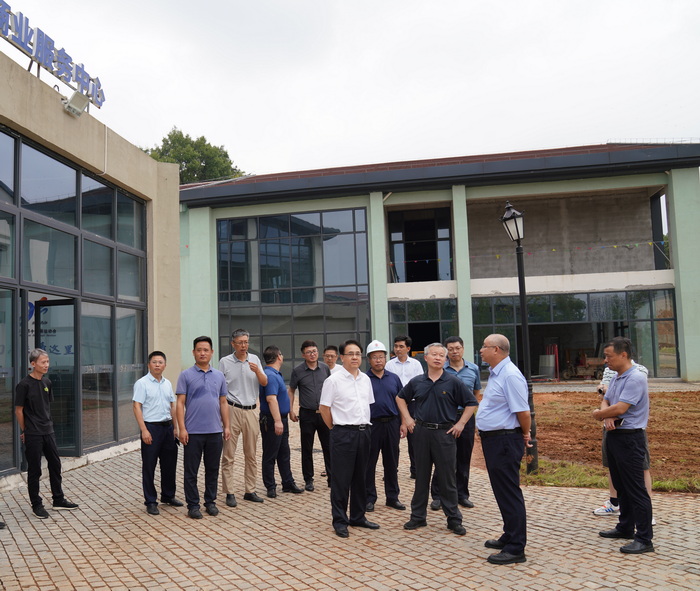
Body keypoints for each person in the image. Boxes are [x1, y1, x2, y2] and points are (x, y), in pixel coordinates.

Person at [396, 343, 477, 537]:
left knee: (448, 478)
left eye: (442, 355)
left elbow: (471, 402)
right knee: (421, 477)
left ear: (445, 359)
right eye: (434, 354)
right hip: (421, 433)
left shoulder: (453, 382)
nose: (438, 358)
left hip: (444, 434)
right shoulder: (417, 381)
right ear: (426, 358)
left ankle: (454, 519)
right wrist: (408, 419)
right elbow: (400, 398)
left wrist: (461, 424)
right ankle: (418, 516)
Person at [592, 336, 654, 554]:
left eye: (609, 356)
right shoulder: (618, 377)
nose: (605, 360)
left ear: (623, 355)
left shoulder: (635, 378)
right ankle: (625, 527)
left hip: (630, 438)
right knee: (622, 485)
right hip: (615, 436)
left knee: (636, 488)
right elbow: (607, 399)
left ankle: (644, 538)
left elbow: (620, 408)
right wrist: (606, 414)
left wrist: (600, 414)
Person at [477, 334, 531, 565]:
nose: (481, 350)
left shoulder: (510, 375)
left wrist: (525, 433)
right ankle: (509, 534)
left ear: (496, 350)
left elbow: (523, 412)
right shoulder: (497, 373)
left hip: (505, 440)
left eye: (484, 346)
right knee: (501, 490)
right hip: (495, 440)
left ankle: (516, 548)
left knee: (509, 492)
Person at [320, 340, 379, 538]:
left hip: (364, 432)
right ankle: (339, 520)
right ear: (342, 357)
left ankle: (358, 516)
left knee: (361, 477)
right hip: (343, 433)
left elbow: (368, 405)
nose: (355, 357)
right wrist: (335, 429)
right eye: (350, 354)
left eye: (357, 354)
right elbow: (324, 408)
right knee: (341, 479)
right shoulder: (333, 381)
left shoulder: (365, 379)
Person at [15, 349, 80, 519]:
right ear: (33, 364)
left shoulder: (47, 382)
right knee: (35, 470)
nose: (46, 365)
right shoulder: (24, 385)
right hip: (33, 433)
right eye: (43, 362)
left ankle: (58, 499)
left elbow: (46, 407)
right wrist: (25, 430)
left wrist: (49, 424)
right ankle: (37, 504)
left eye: (47, 362)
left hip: (48, 431)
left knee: (55, 465)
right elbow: (18, 410)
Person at [176, 336, 231, 519]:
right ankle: (193, 505)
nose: (202, 353)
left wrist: (227, 426)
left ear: (211, 352)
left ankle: (210, 502)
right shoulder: (185, 375)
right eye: (199, 350)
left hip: (215, 431)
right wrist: (182, 428)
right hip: (193, 432)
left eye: (206, 350)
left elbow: (223, 402)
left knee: (212, 470)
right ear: (193, 352)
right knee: (191, 471)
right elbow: (180, 403)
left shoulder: (219, 376)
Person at [430, 336, 482, 511]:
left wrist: (468, 414)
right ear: (446, 352)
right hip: (446, 417)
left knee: (463, 457)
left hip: (466, 418)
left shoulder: (473, 369)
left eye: (457, 348)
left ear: (463, 349)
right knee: (442, 457)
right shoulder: (441, 369)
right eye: (450, 349)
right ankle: (437, 496)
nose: (454, 352)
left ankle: (462, 494)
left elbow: (476, 393)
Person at [219, 329, 268, 507]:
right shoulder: (224, 362)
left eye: (246, 342)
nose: (243, 345)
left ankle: (250, 490)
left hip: (251, 411)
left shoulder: (254, 359)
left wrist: (257, 371)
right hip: (232, 409)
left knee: (251, 454)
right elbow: (220, 389)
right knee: (229, 454)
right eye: (240, 342)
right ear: (233, 344)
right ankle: (229, 492)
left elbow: (264, 382)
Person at [132, 351, 183, 515]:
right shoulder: (142, 383)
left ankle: (168, 495)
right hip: (151, 428)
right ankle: (150, 501)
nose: (157, 365)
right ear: (149, 365)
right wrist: (144, 430)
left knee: (169, 464)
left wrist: (175, 428)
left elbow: (172, 406)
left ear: (165, 365)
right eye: (154, 362)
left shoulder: (167, 383)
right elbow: (136, 406)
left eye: (160, 362)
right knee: (149, 466)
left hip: (168, 428)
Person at [364, 340, 406, 513]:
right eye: (374, 357)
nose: (378, 360)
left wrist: (403, 423)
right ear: (369, 360)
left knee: (391, 462)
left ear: (386, 358)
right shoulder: (363, 379)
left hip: (392, 424)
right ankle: (369, 498)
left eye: (381, 357)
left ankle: (392, 497)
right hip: (372, 425)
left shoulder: (394, 378)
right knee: (369, 463)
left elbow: (401, 402)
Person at [259, 345, 303, 498]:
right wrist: (277, 421)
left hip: (281, 419)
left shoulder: (275, 374)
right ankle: (270, 486)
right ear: (279, 357)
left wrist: (287, 414)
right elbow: (271, 399)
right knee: (270, 454)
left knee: (284, 453)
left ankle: (288, 482)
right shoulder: (270, 376)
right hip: (273, 420)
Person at [288, 340, 332, 491]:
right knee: (307, 448)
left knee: (329, 446)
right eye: (308, 352)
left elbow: (331, 389)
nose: (312, 354)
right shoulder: (297, 371)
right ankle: (308, 479)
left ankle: (332, 478)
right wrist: (291, 410)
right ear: (303, 355)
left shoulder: (325, 368)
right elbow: (291, 390)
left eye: (314, 351)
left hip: (324, 413)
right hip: (307, 414)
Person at [386, 335, 424, 479]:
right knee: (392, 440)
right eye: (396, 346)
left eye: (401, 346)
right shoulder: (389, 365)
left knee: (414, 439)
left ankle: (416, 470)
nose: (398, 349)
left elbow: (420, 384)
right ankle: (392, 470)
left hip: (413, 405)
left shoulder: (416, 364)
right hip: (394, 405)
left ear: (408, 348)